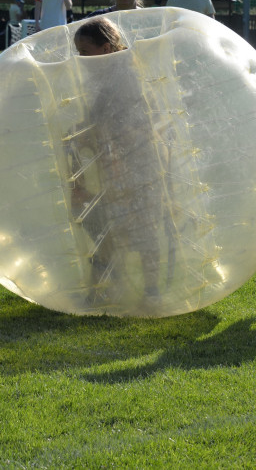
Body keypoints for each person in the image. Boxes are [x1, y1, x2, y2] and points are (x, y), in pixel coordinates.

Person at [70, 17, 168, 307]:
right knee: (111, 228)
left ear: (106, 48)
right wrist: (81, 132)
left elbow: (134, 123)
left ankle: (150, 292)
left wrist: (91, 133)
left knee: (143, 230)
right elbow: (98, 121)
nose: (80, 58)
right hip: (116, 166)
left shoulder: (125, 78)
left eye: (84, 51)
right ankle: (106, 288)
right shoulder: (103, 78)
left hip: (138, 166)